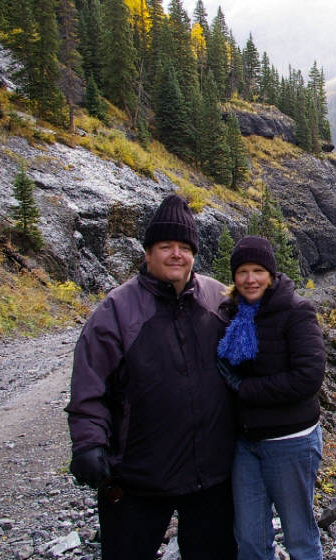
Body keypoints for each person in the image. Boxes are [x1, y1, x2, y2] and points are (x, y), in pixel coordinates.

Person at [65, 194, 237, 560]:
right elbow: (90, 386)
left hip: (210, 475)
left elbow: (252, 349)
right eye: (165, 246)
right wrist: (89, 442)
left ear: (194, 253)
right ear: (147, 253)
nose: (176, 254)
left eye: (184, 247)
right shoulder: (116, 311)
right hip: (138, 476)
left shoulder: (217, 299)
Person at [216, 235, 326, 560]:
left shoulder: (296, 311)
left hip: (291, 442)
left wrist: (244, 389)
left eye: (258, 271)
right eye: (242, 272)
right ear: (234, 276)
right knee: (249, 540)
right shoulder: (231, 314)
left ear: (271, 274)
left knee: (300, 539)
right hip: (246, 443)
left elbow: (308, 378)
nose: (250, 279)